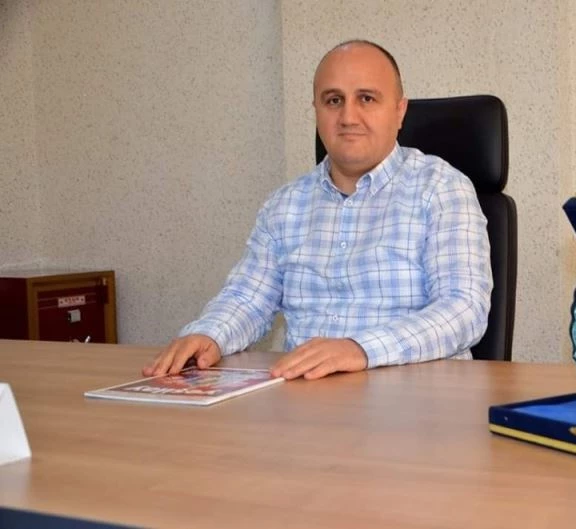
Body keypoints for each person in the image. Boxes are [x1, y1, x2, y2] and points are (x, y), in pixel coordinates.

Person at [143, 39, 492, 381]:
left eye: (366, 98)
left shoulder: (441, 188)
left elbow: (464, 309)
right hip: (305, 397)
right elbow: (248, 298)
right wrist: (209, 334)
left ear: (399, 111)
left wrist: (360, 349)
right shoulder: (285, 205)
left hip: (415, 401)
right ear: (316, 111)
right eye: (333, 100)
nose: (348, 117)